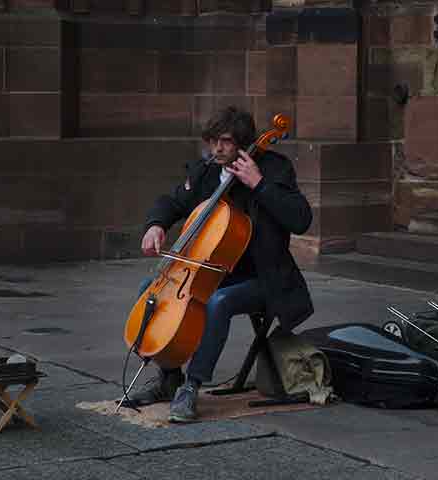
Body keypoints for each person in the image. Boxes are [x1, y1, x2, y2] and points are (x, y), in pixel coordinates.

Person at [127, 106, 314, 423]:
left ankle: (192, 385)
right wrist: (156, 224)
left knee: (218, 302)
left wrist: (259, 184)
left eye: (225, 142)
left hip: (264, 277)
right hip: (214, 272)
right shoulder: (206, 171)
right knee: (152, 291)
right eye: (213, 140)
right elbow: (172, 202)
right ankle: (169, 376)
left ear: (243, 143)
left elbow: (301, 219)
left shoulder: (273, 169)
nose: (217, 148)